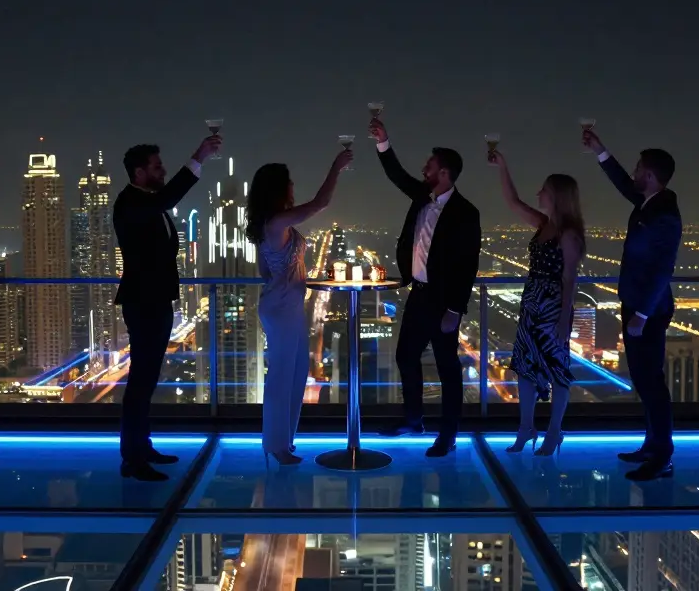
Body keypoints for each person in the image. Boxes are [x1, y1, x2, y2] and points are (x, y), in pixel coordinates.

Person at [369, 117, 482, 457]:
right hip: (418, 294)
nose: (424, 169)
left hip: (444, 300)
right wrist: (383, 142)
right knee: (406, 357)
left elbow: (467, 264)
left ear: (444, 172)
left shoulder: (466, 212)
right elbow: (396, 174)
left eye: (429, 165)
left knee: (448, 367)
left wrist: (455, 309)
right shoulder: (422, 196)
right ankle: (414, 419)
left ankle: (447, 435)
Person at [113, 134, 221, 482]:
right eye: (157, 166)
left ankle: (142, 448)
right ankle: (132, 458)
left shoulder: (146, 201)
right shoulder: (131, 203)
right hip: (143, 303)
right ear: (139, 172)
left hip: (155, 301)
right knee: (140, 381)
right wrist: (199, 157)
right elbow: (168, 197)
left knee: (146, 379)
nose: (163, 171)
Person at [582, 128, 681, 481]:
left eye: (639, 169)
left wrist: (641, 313)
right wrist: (600, 151)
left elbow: (662, 268)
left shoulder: (664, 213)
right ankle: (652, 445)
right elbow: (626, 185)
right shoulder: (650, 202)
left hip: (647, 311)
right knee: (644, 379)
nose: (635, 173)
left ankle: (662, 455)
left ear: (651, 176)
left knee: (651, 382)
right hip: (638, 306)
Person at [245, 150, 354, 466]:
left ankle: (284, 440)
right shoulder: (277, 222)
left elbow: (263, 270)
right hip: (281, 308)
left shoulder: (273, 224)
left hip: (285, 305)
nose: (294, 186)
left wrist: (287, 279)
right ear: (278, 188)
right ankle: (275, 446)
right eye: (289, 182)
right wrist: (336, 166)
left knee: (295, 373)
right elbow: (320, 203)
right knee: (281, 375)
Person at [489, 149, 584, 456]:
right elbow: (513, 203)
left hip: (552, 307)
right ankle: (526, 428)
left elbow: (570, 279)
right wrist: (502, 166)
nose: (539, 193)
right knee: (525, 368)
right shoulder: (544, 224)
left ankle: (553, 432)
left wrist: (562, 319)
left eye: (544, 189)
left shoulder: (569, 235)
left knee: (557, 370)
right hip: (532, 303)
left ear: (557, 195)